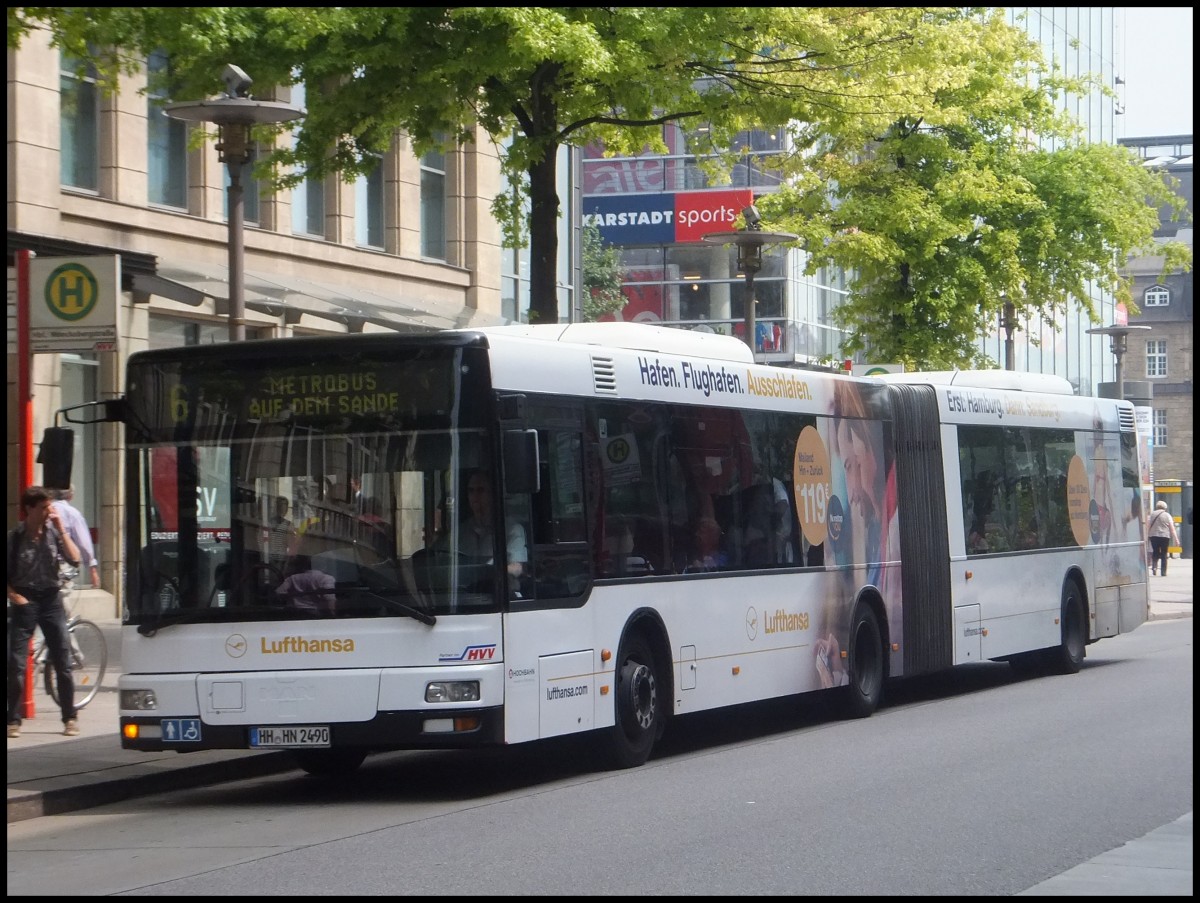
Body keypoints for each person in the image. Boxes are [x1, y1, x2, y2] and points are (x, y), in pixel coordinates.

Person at [7, 486, 82, 738]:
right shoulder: (15, 537)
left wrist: (62, 529)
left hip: (51, 598)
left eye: (50, 506)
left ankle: (69, 717)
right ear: (29, 509)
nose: (49, 511)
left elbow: (75, 558)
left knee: (63, 660)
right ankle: (13, 719)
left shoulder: (53, 533)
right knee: (16, 662)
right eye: (44, 507)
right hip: (25, 599)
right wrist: (14, 596)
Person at [433, 469, 527, 581]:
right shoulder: (460, 531)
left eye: (480, 490)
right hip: (463, 592)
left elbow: (517, 568)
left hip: (496, 591)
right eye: (471, 491)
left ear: (492, 494)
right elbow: (440, 560)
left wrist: (484, 572)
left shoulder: (511, 530)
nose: (475, 496)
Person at [53, 485, 100, 588]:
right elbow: (84, 543)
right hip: (63, 567)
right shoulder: (72, 513)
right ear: (70, 496)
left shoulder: (45, 511)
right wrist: (92, 570)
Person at [1147, 500, 1179, 576]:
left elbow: (1148, 525)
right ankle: (1163, 572)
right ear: (1165, 507)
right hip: (1164, 536)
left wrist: (1147, 535)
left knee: (1155, 551)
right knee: (1164, 553)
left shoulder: (1152, 514)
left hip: (1153, 535)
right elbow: (1172, 528)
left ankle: (1154, 567)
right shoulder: (1167, 515)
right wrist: (1176, 539)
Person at [264, 495, 295, 572]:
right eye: (280, 505)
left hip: (282, 559)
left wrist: (287, 562)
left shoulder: (289, 524)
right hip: (269, 557)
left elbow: (291, 544)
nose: (282, 508)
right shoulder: (268, 522)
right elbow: (263, 540)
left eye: (284, 505)